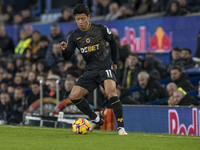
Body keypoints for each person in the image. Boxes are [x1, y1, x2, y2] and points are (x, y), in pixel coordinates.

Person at [60, 4, 127, 135]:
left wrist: (115, 62)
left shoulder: (100, 29)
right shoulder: (74, 36)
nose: (80, 22)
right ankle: (96, 119)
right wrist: (63, 50)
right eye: (77, 19)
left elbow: (113, 43)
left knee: (111, 92)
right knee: (74, 96)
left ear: (88, 17)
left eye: (83, 18)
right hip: (90, 70)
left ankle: (121, 127)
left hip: (105, 66)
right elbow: (68, 56)